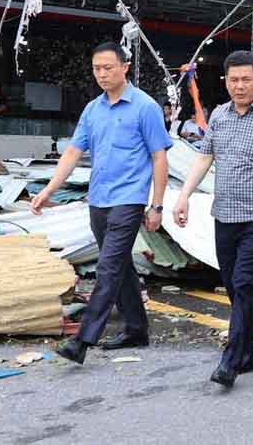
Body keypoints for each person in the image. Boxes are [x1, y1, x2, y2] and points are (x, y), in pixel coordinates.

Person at [31, 41, 171, 364]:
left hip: (130, 199)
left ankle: (83, 339)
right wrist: (50, 189)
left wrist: (157, 205)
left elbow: (159, 157)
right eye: (97, 68)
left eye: (108, 67)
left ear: (125, 66)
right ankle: (136, 330)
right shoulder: (93, 109)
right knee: (119, 266)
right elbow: (73, 152)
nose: (102, 74)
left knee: (107, 267)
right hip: (99, 199)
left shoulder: (145, 107)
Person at [173, 51, 253, 388]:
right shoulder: (219, 115)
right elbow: (205, 157)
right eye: (233, 80)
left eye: (246, 79)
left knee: (245, 285)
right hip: (225, 215)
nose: (239, 86)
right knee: (235, 288)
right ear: (226, 81)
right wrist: (184, 195)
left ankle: (230, 360)